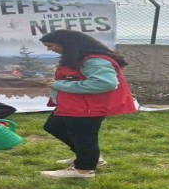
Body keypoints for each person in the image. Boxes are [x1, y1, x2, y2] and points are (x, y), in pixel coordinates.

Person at [38, 30, 136, 179]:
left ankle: (83, 169)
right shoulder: (79, 58)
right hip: (74, 105)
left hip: (87, 108)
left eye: (50, 45)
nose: (49, 49)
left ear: (66, 43)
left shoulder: (94, 61)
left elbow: (105, 83)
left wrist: (60, 85)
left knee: (84, 138)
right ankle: (88, 157)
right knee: (54, 126)